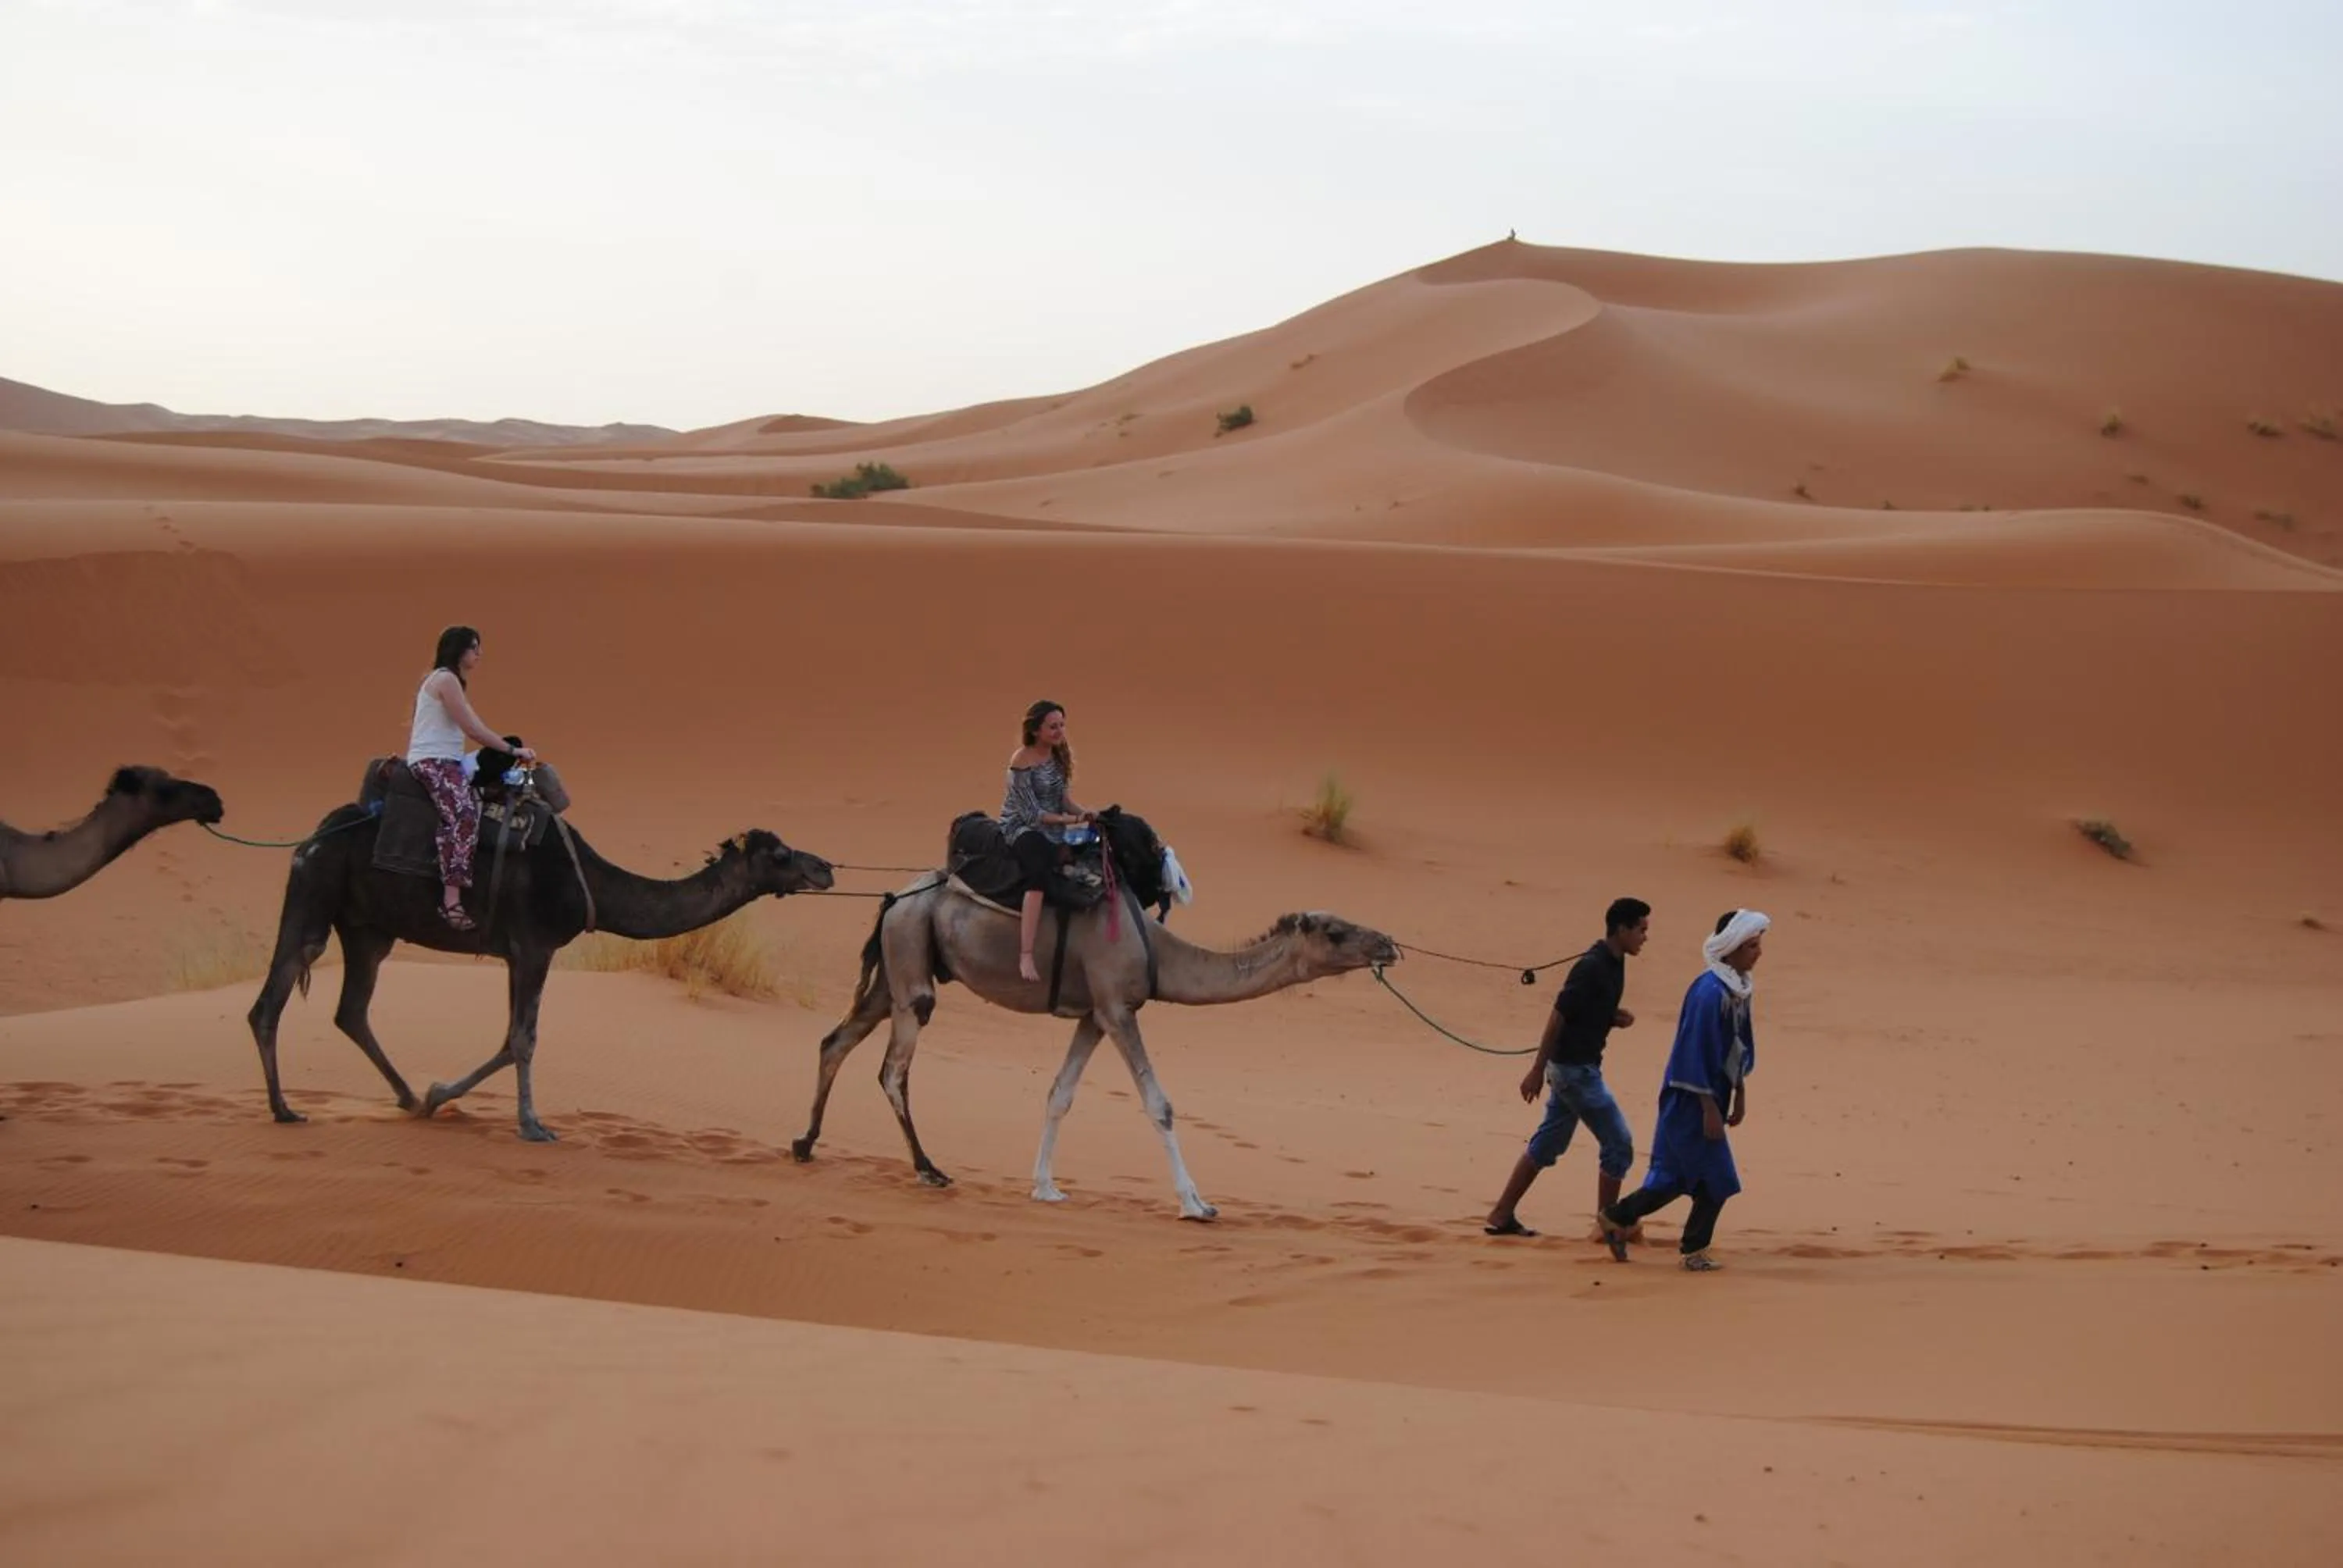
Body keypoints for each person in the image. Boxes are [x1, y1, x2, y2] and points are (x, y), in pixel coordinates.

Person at [1599, 909, 1769, 1271]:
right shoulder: (1710, 993)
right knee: (1719, 1179)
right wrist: (1708, 1108)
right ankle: (1694, 1251)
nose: (1759, 953)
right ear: (1732, 947)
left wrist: (1739, 1092)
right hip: (1690, 1099)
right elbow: (1691, 1053)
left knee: (1674, 1178)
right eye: (1752, 946)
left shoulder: (1736, 989)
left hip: (1712, 1096)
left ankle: (1616, 1217)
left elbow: (1736, 1047)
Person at [1483, 897, 1650, 1239]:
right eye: (1641, 930)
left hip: (1578, 1069)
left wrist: (1612, 1018)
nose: (1645, 937)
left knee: (1549, 1143)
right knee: (1618, 1143)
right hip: (1574, 1072)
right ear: (1622, 930)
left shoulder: (1615, 962)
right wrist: (1536, 1070)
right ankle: (1607, 1225)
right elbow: (1558, 1015)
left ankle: (1501, 1214)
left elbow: (1585, 1011)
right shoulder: (1592, 966)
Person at [406, 625, 534, 932]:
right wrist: (513, 750)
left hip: (451, 760)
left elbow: (477, 726)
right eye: (475, 648)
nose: (479, 654)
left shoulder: (450, 682)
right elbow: (473, 730)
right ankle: (451, 902)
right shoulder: (445, 680)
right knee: (464, 817)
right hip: (434, 762)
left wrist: (509, 748)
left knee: (497, 767)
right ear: (459, 650)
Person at [1000, 700, 1093, 982]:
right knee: (1039, 874)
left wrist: (1088, 815)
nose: (1059, 731)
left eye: (1062, 725)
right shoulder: (1021, 761)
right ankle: (1026, 954)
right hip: (1022, 827)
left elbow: (1063, 800)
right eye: (1053, 727)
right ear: (1036, 730)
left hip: (1055, 826)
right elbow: (1032, 814)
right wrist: (1073, 820)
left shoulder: (1058, 755)